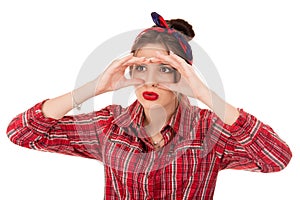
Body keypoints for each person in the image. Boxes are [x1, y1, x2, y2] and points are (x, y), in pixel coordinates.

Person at [6, 12, 292, 199]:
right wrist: (94, 88)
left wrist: (206, 95)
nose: (150, 81)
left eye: (165, 69)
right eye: (141, 68)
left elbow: (276, 158)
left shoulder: (209, 129)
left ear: (184, 74)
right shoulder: (109, 125)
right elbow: (22, 133)